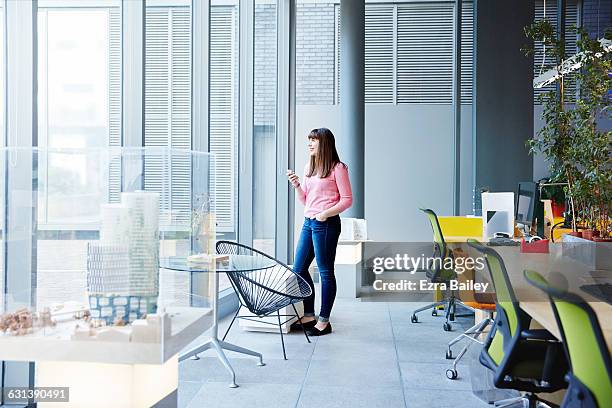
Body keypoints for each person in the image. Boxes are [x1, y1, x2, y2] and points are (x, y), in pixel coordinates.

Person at [286, 128, 352, 336]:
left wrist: (325, 214)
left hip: (326, 224)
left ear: (324, 143)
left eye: (314, 140)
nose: (310, 144)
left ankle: (324, 321)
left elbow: (347, 200)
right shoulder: (310, 167)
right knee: (299, 268)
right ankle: (309, 315)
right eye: (309, 140)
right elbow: (306, 200)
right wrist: (297, 186)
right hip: (308, 222)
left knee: (325, 272)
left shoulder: (338, 168)